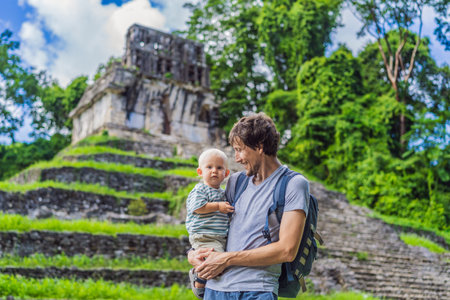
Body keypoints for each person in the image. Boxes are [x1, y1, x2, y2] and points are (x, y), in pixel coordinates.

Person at [188, 112, 309, 300]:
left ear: (259, 146)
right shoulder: (236, 182)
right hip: (215, 289)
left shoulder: (293, 184)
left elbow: (287, 250)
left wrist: (226, 259)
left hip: (257, 290)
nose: (236, 158)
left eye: (239, 149)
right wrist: (193, 253)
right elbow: (208, 222)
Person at [185, 148, 234, 299]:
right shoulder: (200, 189)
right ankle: (199, 282)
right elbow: (198, 207)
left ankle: (202, 279)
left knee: (217, 263)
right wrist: (218, 206)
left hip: (218, 237)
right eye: (209, 167)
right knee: (215, 262)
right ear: (200, 172)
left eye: (219, 168)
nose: (214, 171)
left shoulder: (223, 192)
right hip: (205, 235)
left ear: (226, 174)